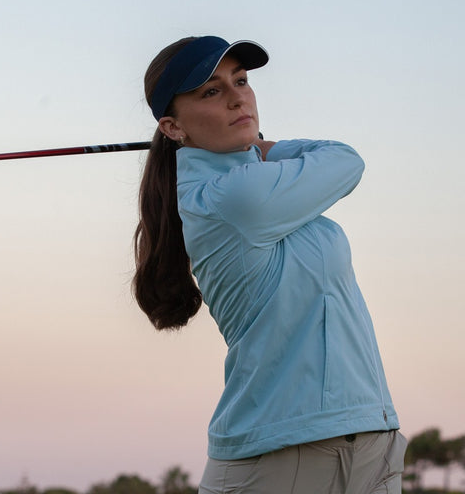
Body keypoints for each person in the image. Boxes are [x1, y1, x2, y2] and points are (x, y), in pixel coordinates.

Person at [132, 36, 405, 494]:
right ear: (173, 127)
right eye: (211, 91)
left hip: (369, 442)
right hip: (280, 456)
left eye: (240, 81)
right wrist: (269, 147)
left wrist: (260, 149)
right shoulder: (231, 197)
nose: (237, 97)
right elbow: (346, 161)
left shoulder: (259, 185)